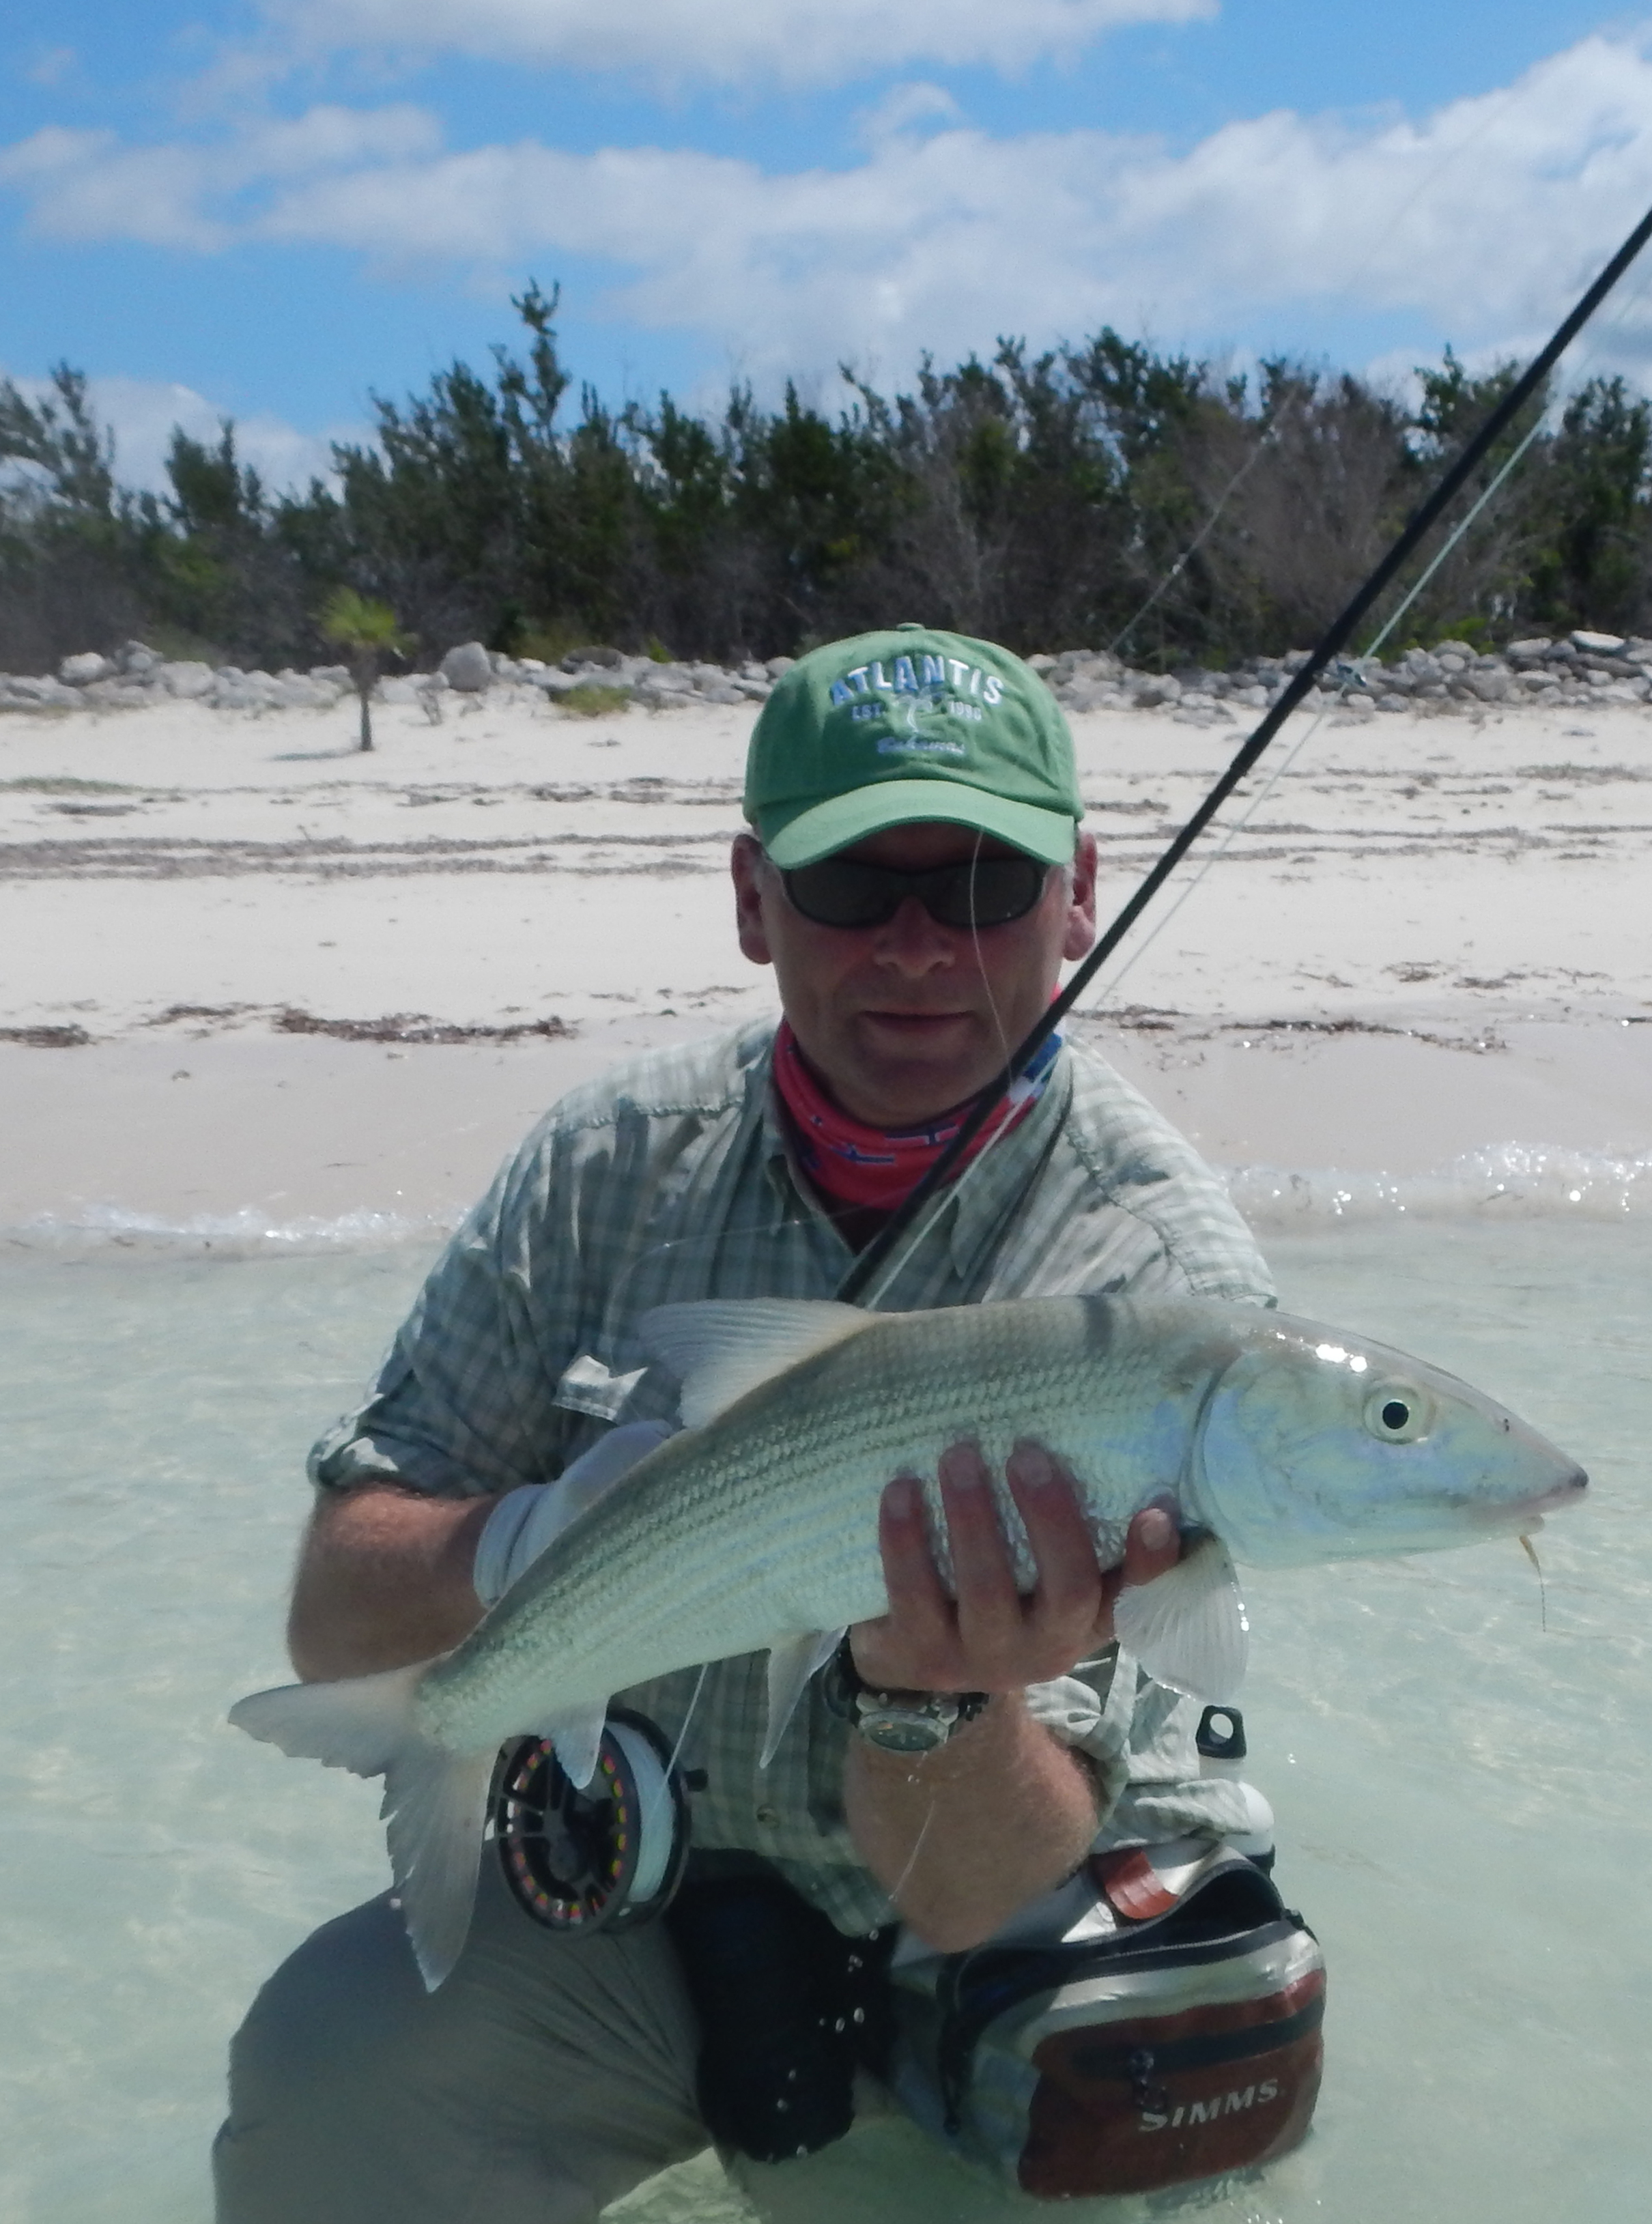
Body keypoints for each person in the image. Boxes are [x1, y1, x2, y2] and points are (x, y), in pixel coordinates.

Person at [214, 625, 1277, 2223]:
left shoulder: (1156, 1287)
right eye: (854, 887)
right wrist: (534, 1539)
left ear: (1077, 895)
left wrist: (929, 1701)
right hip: (639, 1900)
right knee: (331, 2060)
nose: (918, 949)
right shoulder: (606, 1164)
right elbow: (333, 1613)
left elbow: (989, 1884)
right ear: (751, 897)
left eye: (982, 885)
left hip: (997, 1951)